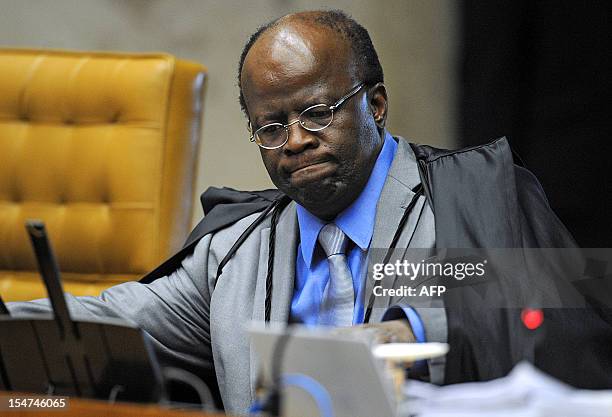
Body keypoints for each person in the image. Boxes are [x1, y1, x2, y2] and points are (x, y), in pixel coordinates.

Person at [8, 9, 612, 415]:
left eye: (318, 113)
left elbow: (557, 298)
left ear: (376, 104)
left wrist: (416, 328)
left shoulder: (471, 197)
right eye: (271, 128)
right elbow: (106, 319)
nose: (295, 140)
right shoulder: (235, 251)